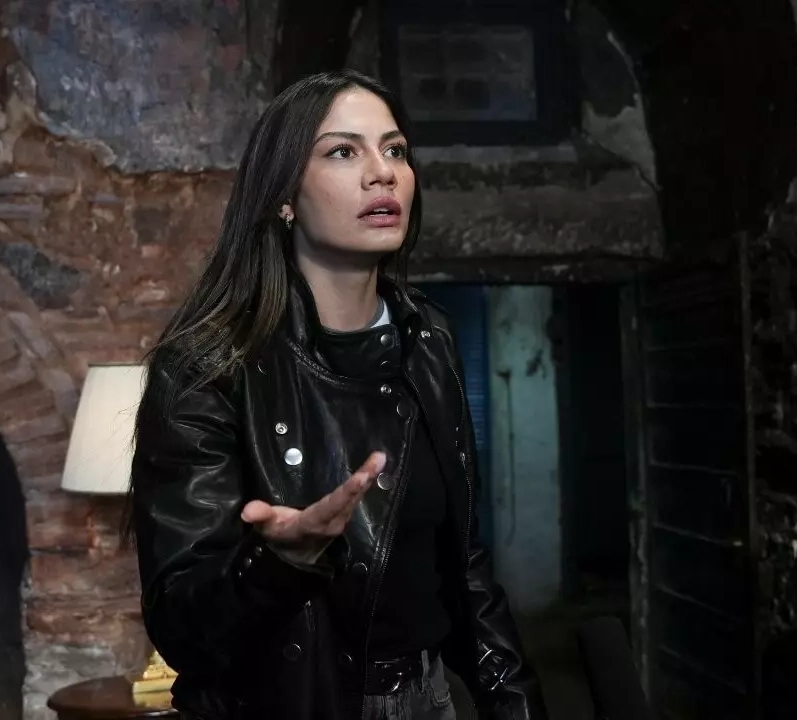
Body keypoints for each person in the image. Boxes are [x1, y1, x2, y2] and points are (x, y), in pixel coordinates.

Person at [128, 69, 546, 720]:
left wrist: (515, 705)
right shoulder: (207, 366)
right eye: (343, 152)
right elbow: (184, 627)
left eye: (395, 150)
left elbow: (463, 565)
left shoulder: (429, 340)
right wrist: (280, 562)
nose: (383, 173)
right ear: (284, 198)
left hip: (427, 699)